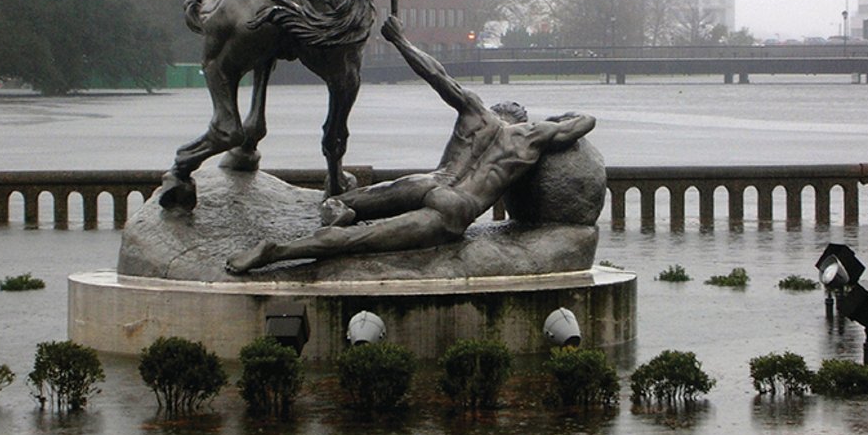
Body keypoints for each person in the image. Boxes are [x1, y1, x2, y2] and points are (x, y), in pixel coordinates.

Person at [226, 16, 595, 272]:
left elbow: (435, 74)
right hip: (456, 208)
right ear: (522, 120)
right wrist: (557, 120)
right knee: (360, 241)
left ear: (497, 110)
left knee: (341, 199)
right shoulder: (531, 137)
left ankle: (339, 207)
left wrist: (399, 39)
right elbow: (584, 123)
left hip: (431, 181)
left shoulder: (475, 112)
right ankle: (277, 253)